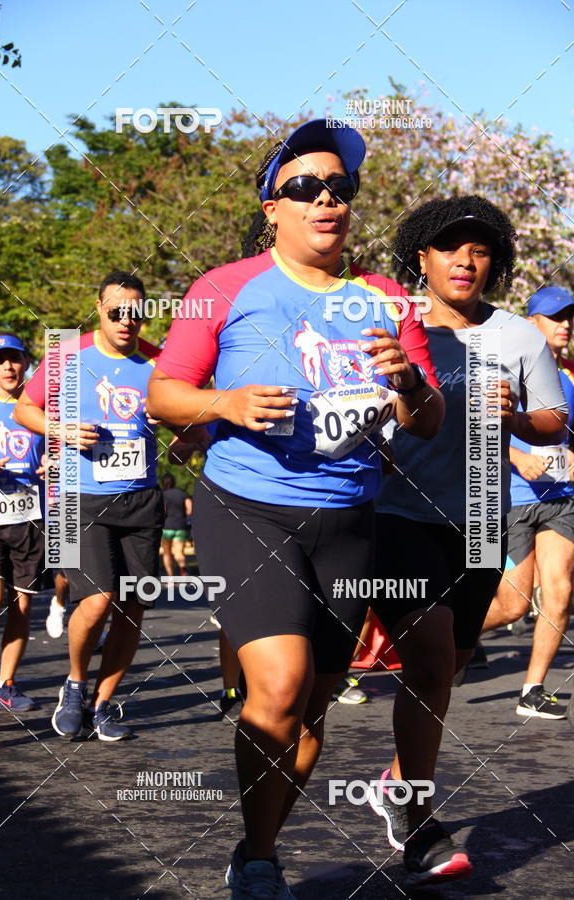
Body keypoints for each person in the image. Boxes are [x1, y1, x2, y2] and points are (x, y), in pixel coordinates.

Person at [147, 118, 444, 899]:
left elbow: (431, 417)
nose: (326, 199)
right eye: (305, 187)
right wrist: (227, 402)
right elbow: (163, 393)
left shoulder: (384, 299)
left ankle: (256, 845)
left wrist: (409, 385)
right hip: (250, 506)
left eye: (339, 188)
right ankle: (261, 863)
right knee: (279, 683)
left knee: (310, 713)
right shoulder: (223, 288)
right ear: (272, 207)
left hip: (349, 518)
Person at [367, 196, 568, 886]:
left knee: (452, 660)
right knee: (427, 659)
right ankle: (419, 817)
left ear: (495, 262)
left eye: (480, 250)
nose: (466, 260)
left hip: (482, 514)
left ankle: (395, 778)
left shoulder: (520, 338)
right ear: (420, 257)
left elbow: (554, 420)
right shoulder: (389, 327)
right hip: (397, 515)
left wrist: (519, 418)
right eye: (450, 247)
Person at [15, 270, 165, 742]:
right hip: (80, 494)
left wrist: (186, 436)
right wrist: (61, 430)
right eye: (116, 311)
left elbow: (190, 424)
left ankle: (103, 704)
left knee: (132, 607)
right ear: (99, 308)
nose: (126, 321)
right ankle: (75, 684)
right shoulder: (66, 353)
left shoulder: (159, 361)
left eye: (135, 313)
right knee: (97, 599)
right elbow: (24, 409)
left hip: (142, 497)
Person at [482, 286, 574, 719]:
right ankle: (443, 644)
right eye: (556, 317)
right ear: (531, 323)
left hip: (561, 499)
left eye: (569, 318)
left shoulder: (569, 377)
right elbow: (473, 438)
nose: (566, 325)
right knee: (513, 604)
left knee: (559, 591)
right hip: (513, 497)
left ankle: (532, 690)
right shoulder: (506, 370)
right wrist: (516, 455)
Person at [0, 334, 45, 710]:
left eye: (14, 359)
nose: (8, 367)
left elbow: (61, 452)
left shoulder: (40, 411)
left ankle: (5, 684)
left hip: (28, 518)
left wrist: (54, 466)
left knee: (21, 607)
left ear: (25, 363)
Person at [160, 473, 192, 577]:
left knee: (167, 553)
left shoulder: (162, 495)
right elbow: (189, 509)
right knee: (179, 552)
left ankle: (170, 577)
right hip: (180, 526)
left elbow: (162, 510)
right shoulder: (182, 494)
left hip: (166, 527)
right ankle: (183, 569)